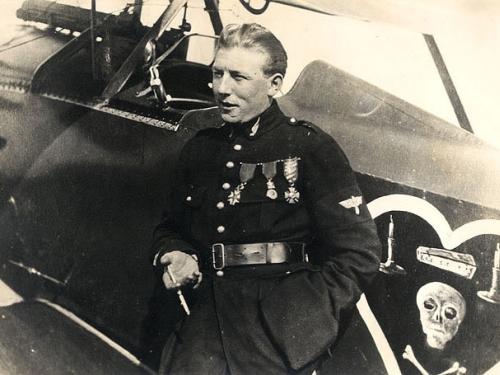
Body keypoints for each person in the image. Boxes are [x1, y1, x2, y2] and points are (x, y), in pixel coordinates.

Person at [151, 23, 381, 375]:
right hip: (206, 324)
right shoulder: (201, 148)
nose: (222, 90)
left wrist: (304, 322)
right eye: (217, 74)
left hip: (277, 336)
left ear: (274, 84)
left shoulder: (309, 148)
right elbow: (171, 226)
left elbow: (360, 253)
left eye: (238, 78)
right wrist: (177, 252)